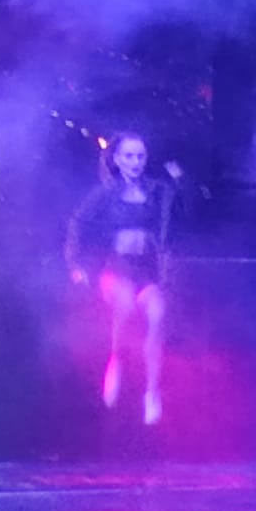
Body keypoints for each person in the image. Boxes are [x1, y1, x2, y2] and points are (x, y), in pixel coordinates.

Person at [64, 131, 183, 427]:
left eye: (140, 156)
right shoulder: (105, 193)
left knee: (157, 316)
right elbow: (78, 224)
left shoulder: (157, 191)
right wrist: (76, 264)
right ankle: (115, 362)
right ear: (117, 159)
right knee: (126, 306)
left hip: (147, 269)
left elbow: (182, 211)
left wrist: (180, 181)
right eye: (129, 156)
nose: (136, 162)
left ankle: (151, 392)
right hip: (116, 268)